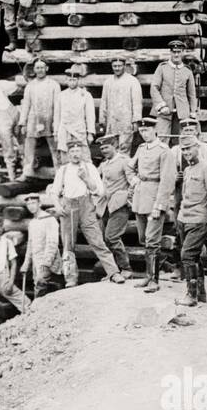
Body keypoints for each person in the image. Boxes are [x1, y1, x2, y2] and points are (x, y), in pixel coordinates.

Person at [50, 140, 124, 286]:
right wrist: (58, 206)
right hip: (68, 207)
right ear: (68, 154)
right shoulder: (63, 170)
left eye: (78, 151)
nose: (75, 154)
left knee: (97, 240)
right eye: (72, 152)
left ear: (82, 153)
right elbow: (54, 192)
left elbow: (100, 191)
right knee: (68, 245)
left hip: (86, 206)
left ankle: (113, 273)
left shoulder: (89, 168)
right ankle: (70, 279)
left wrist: (86, 178)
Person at [170, 133, 207, 306]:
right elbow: (184, 196)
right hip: (185, 218)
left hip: (199, 220)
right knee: (195, 256)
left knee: (187, 255)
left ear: (197, 147)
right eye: (183, 149)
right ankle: (200, 293)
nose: (186, 152)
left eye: (189, 148)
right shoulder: (187, 170)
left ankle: (191, 296)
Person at [131, 118, 171, 290]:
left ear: (155, 130)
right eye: (141, 131)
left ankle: (154, 279)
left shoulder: (164, 150)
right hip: (140, 197)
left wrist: (159, 205)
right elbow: (130, 167)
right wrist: (133, 179)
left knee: (152, 240)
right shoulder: (141, 149)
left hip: (154, 197)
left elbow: (167, 180)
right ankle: (149, 275)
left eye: (147, 130)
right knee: (143, 238)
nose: (144, 134)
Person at [98, 134, 138, 277]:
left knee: (112, 236)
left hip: (119, 205)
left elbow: (134, 181)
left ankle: (126, 268)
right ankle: (114, 272)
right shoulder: (104, 165)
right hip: (105, 206)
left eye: (107, 147)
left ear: (114, 146)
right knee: (104, 239)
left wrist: (128, 197)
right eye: (102, 148)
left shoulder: (124, 161)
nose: (104, 150)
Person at [19, 58, 60, 179]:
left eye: (42, 67)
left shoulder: (54, 85)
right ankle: (27, 172)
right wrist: (23, 122)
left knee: (55, 147)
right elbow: (26, 104)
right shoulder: (30, 86)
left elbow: (58, 105)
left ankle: (59, 172)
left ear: (46, 68)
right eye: (37, 68)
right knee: (29, 146)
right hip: (33, 120)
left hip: (49, 120)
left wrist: (56, 123)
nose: (40, 70)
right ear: (34, 70)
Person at [150, 38, 198, 139]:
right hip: (164, 112)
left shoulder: (187, 71)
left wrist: (193, 112)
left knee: (182, 139)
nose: (176, 55)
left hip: (182, 113)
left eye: (179, 52)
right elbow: (154, 88)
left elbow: (192, 94)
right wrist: (162, 106)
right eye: (174, 52)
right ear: (170, 52)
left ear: (183, 53)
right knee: (162, 138)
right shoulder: (162, 68)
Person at [100, 57, 143, 153]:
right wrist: (102, 119)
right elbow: (104, 101)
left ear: (124, 66)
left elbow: (137, 102)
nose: (117, 68)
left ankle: (123, 166)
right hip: (112, 122)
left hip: (126, 121)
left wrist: (136, 120)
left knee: (124, 147)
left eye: (119, 66)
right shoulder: (108, 82)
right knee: (111, 147)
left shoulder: (132, 81)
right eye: (114, 66)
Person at [21, 192, 61, 293]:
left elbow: (52, 242)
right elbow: (30, 244)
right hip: (36, 261)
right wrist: (26, 263)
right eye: (28, 204)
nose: (31, 206)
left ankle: (36, 307)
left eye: (33, 203)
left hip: (48, 261)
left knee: (40, 286)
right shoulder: (32, 223)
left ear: (39, 203)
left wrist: (46, 263)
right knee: (39, 286)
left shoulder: (49, 219)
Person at [54, 63, 95, 151]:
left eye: (74, 80)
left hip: (79, 129)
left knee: (82, 154)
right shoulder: (61, 95)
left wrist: (90, 133)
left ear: (78, 80)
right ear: (66, 80)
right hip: (64, 129)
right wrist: (55, 132)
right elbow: (57, 115)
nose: (72, 82)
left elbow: (90, 115)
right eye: (70, 80)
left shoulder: (85, 95)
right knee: (65, 155)